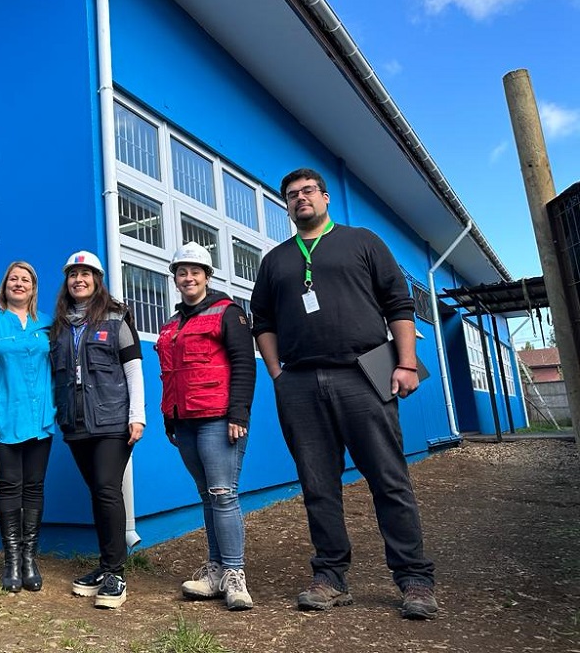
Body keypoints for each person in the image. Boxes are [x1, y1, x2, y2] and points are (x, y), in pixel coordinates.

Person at [250, 167, 438, 620]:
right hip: (300, 383)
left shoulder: (363, 242)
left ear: (326, 197)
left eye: (307, 191)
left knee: (389, 480)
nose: (300, 200)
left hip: (363, 376)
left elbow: (398, 303)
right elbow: (262, 322)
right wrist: (278, 375)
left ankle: (414, 579)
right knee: (318, 485)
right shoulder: (276, 260)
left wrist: (407, 362)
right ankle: (330, 576)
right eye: (291, 195)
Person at [157, 242, 257, 611]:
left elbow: (244, 364)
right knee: (207, 496)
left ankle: (234, 576)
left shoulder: (227, 312)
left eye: (194, 271)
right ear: (175, 278)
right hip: (184, 421)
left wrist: (238, 415)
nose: (187, 277)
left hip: (218, 419)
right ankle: (215, 570)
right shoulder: (171, 323)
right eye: (181, 272)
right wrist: (169, 416)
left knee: (222, 494)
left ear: (207, 275)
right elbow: (170, 374)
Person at [50, 250, 145, 610]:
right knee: (99, 493)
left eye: (86, 274)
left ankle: (115, 574)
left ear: (97, 279)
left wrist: (138, 415)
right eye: (73, 274)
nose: (79, 280)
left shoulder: (116, 318)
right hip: (76, 422)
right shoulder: (59, 326)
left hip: (112, 420)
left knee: (107, 489)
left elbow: (133, 368)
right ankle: (106, 565)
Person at [0, 261, 55, 593]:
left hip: (40, 416)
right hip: (2, 415)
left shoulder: (46, 323)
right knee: (9, 485)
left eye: (26, 280)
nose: (19, 284)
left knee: (34, 486)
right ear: (5, 286)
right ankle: (12, 561)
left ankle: (29, 559)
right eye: (13, 279)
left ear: (33, 288)